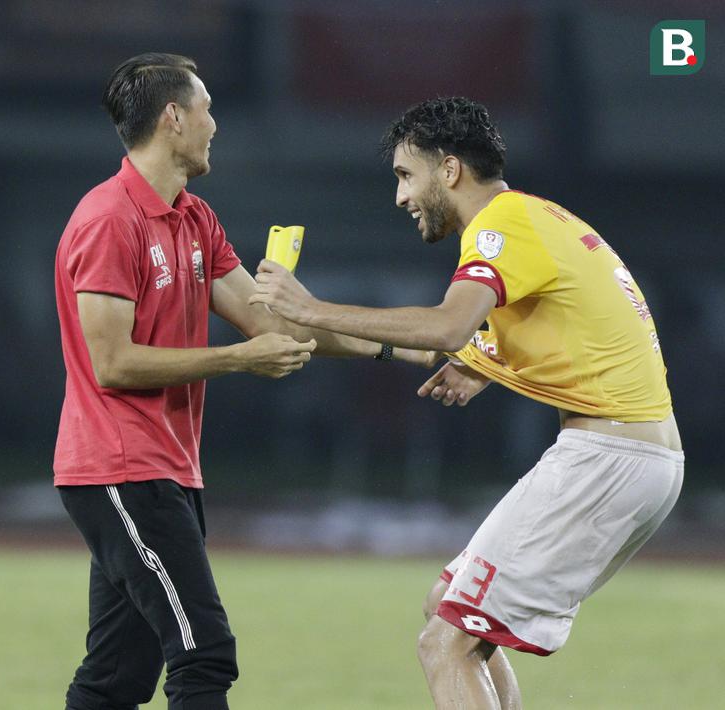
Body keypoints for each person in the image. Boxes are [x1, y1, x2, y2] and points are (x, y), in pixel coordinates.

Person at [251, 96, 683, 709]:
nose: (400, 197)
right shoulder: (540, 219)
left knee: (444, 642)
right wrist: (320, 336)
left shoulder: (500, 225)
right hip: (639, 457)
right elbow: (443, 350)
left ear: (448, 170)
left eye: (406, 175)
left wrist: (309, 307)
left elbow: (446, 328)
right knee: (451, 615)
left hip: (607, 457)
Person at [53, 52, 432, 710]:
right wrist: (234, 360)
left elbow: (271, 323)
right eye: (204, 108)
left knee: (115, 677)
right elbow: (112, 364)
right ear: (171, 118)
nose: (214, 124)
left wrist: (402, 351)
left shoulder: (195, 220)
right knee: (204, 656)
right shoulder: (107, 220)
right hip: (118, 469)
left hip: (162, 470)